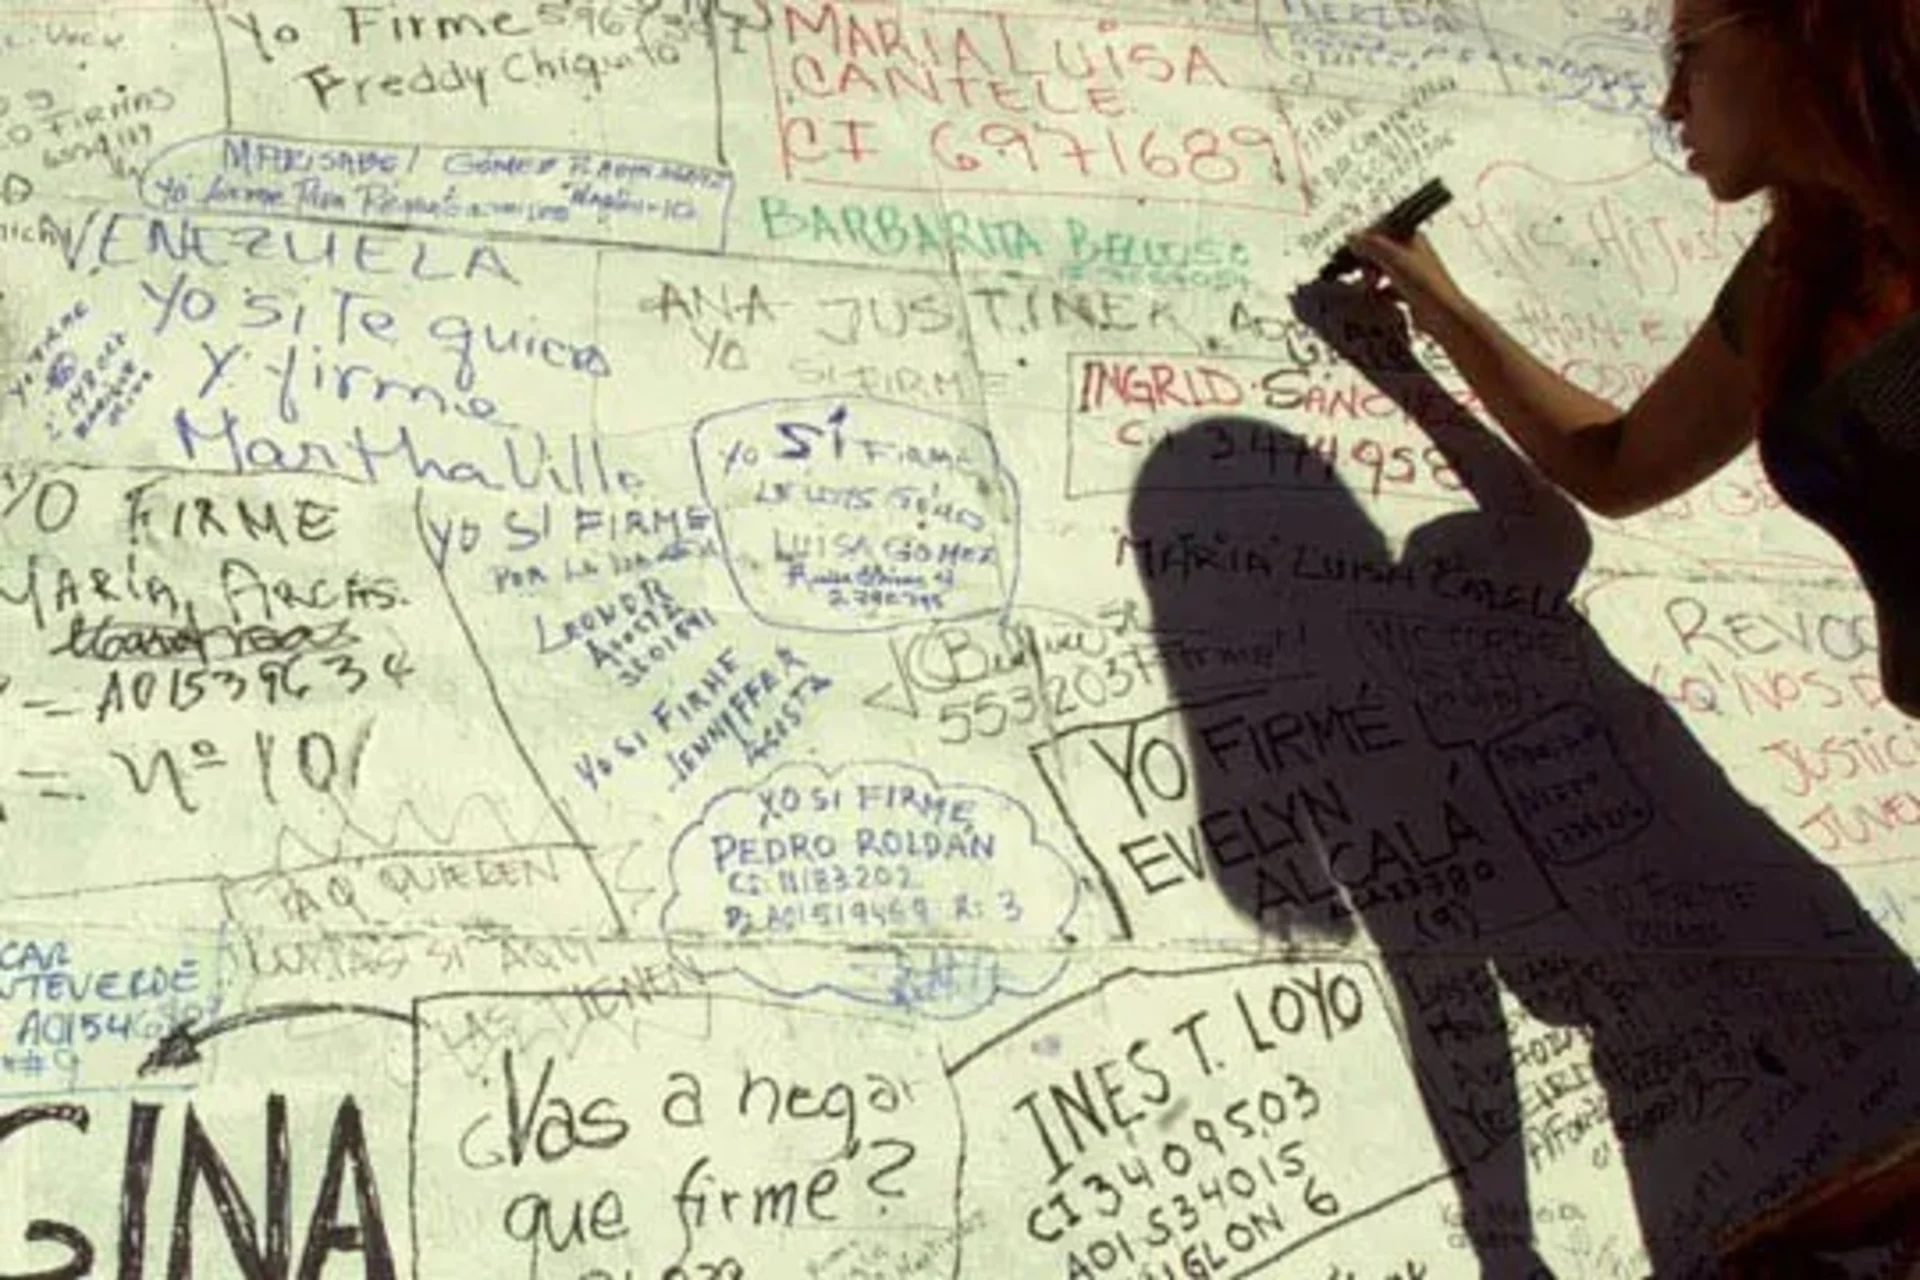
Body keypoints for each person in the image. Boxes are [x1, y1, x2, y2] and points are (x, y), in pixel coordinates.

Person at [1345, 0, 1920, 717]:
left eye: (1689, 52)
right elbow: (1616, 465)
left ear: (1801, 36)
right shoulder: (1809, 260)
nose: (1670, 101)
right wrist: (1444, 308)